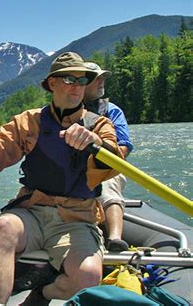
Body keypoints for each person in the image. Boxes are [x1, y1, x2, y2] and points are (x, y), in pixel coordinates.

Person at [0, 52, 124, 305]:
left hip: (76, 218)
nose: (77, 86)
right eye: (69, 79)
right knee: (4, 227)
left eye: (82, 80)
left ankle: (43, 293)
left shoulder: (99, 125)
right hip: (32, 211)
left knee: (89, 276)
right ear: (52, 83)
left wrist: (95, 143)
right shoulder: (29, 121)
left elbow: (113, 162)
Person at [84, 62, 133, 252]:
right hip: (72, 169)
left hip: (106, 168)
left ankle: (114, 238)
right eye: (97, 78)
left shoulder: (112, 110)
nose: (102, 81)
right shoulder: (66, 109)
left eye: (103, 78)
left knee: (108, 186)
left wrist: (101, 157)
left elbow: (124, 146)